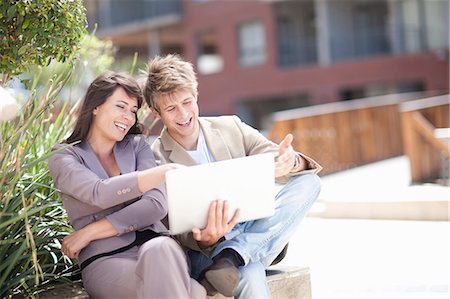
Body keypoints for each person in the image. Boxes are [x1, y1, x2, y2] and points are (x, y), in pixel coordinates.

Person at [144, 54, 322, 298]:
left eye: (187, 102)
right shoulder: (154, 159)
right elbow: (170, 226)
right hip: (207, 254)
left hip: (254, 232)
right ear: (156, 113)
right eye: (171, 108)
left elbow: (273, 156)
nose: (183, 114)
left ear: (196, 95)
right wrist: (205, 240)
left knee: (309, 182)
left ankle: (234, 254)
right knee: (248, 272)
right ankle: (231, 256)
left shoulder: (230, 126)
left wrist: (289, 161)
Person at [47, 72, 206, 298]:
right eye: (121, 106)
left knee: (160, 249)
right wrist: (162, 172)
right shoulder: (65, 156)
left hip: (160, 248)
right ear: (95, 107)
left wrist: (90, 232)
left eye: (132, 111)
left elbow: (156, 206)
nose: (128, 117)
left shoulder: (137, 146)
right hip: (107, 260)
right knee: (193, 292)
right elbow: (98, 192)